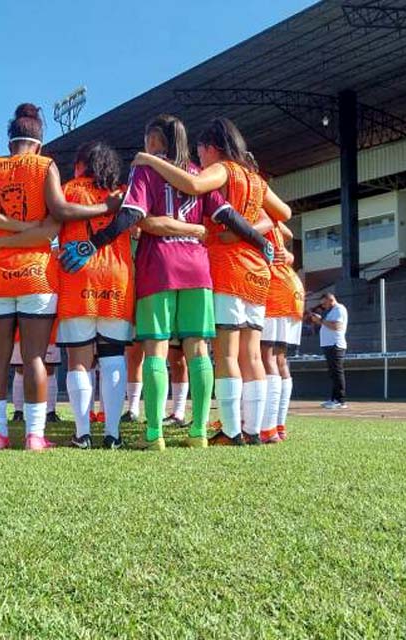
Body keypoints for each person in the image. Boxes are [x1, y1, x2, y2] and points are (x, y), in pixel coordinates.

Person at [0, 103, 116, 450]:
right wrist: (106, 207)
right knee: (33, 358)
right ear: (39, 143)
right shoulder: (45, 166)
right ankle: (34, 435)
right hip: (36, 275)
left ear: (9, 140)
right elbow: (59, 213)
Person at [66, 114, 249, 449]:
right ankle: (197, 434)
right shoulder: (197, 173)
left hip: (159, 266)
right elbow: (226, 215)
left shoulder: (145, 169)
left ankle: (155, 435)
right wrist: (259, 241)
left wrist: (96, 241)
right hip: (198, 267)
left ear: (153, 139)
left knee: (156, 349)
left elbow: (132, 215)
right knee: (198, 351)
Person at [133, 117, 291, 446]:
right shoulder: (255, 179)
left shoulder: (222, 170)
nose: (199, 159)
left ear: (210, 148)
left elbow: (191, 185)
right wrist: (251, 233)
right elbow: (282, 214)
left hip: (226, 269)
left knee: (227, 355)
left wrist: (151, 160)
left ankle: (231, 432)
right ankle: (260, 429)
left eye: (201, 152)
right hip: (257, 273)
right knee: (253, 355)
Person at [51, 141, 131, 449]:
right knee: (113, 358)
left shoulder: (68, 190)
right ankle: (113, 435)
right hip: (116, 276)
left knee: (79, 361)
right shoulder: (121, 192)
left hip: (76, 275)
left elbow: (52, 226)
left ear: (82, 164)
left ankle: (82, 434)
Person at [260, 222, 304, 442]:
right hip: (291, 286)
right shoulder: (274, 219)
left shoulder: (256, 209)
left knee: (262, 356)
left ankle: (266, 427)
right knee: (279, 359)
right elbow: (289, 232)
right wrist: (285, 253)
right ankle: (278, 424)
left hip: (273, 286)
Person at [310, 291, 348, 409]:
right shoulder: (332, 311)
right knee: (333, 373)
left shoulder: (339, 309)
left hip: (335, 345)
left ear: (330, 300)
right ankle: (334, 398)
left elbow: (337, 326)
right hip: (329, 345)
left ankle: (340, 400)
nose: (323, 306)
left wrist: (320, 320)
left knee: (337, 372)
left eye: (324, 304)